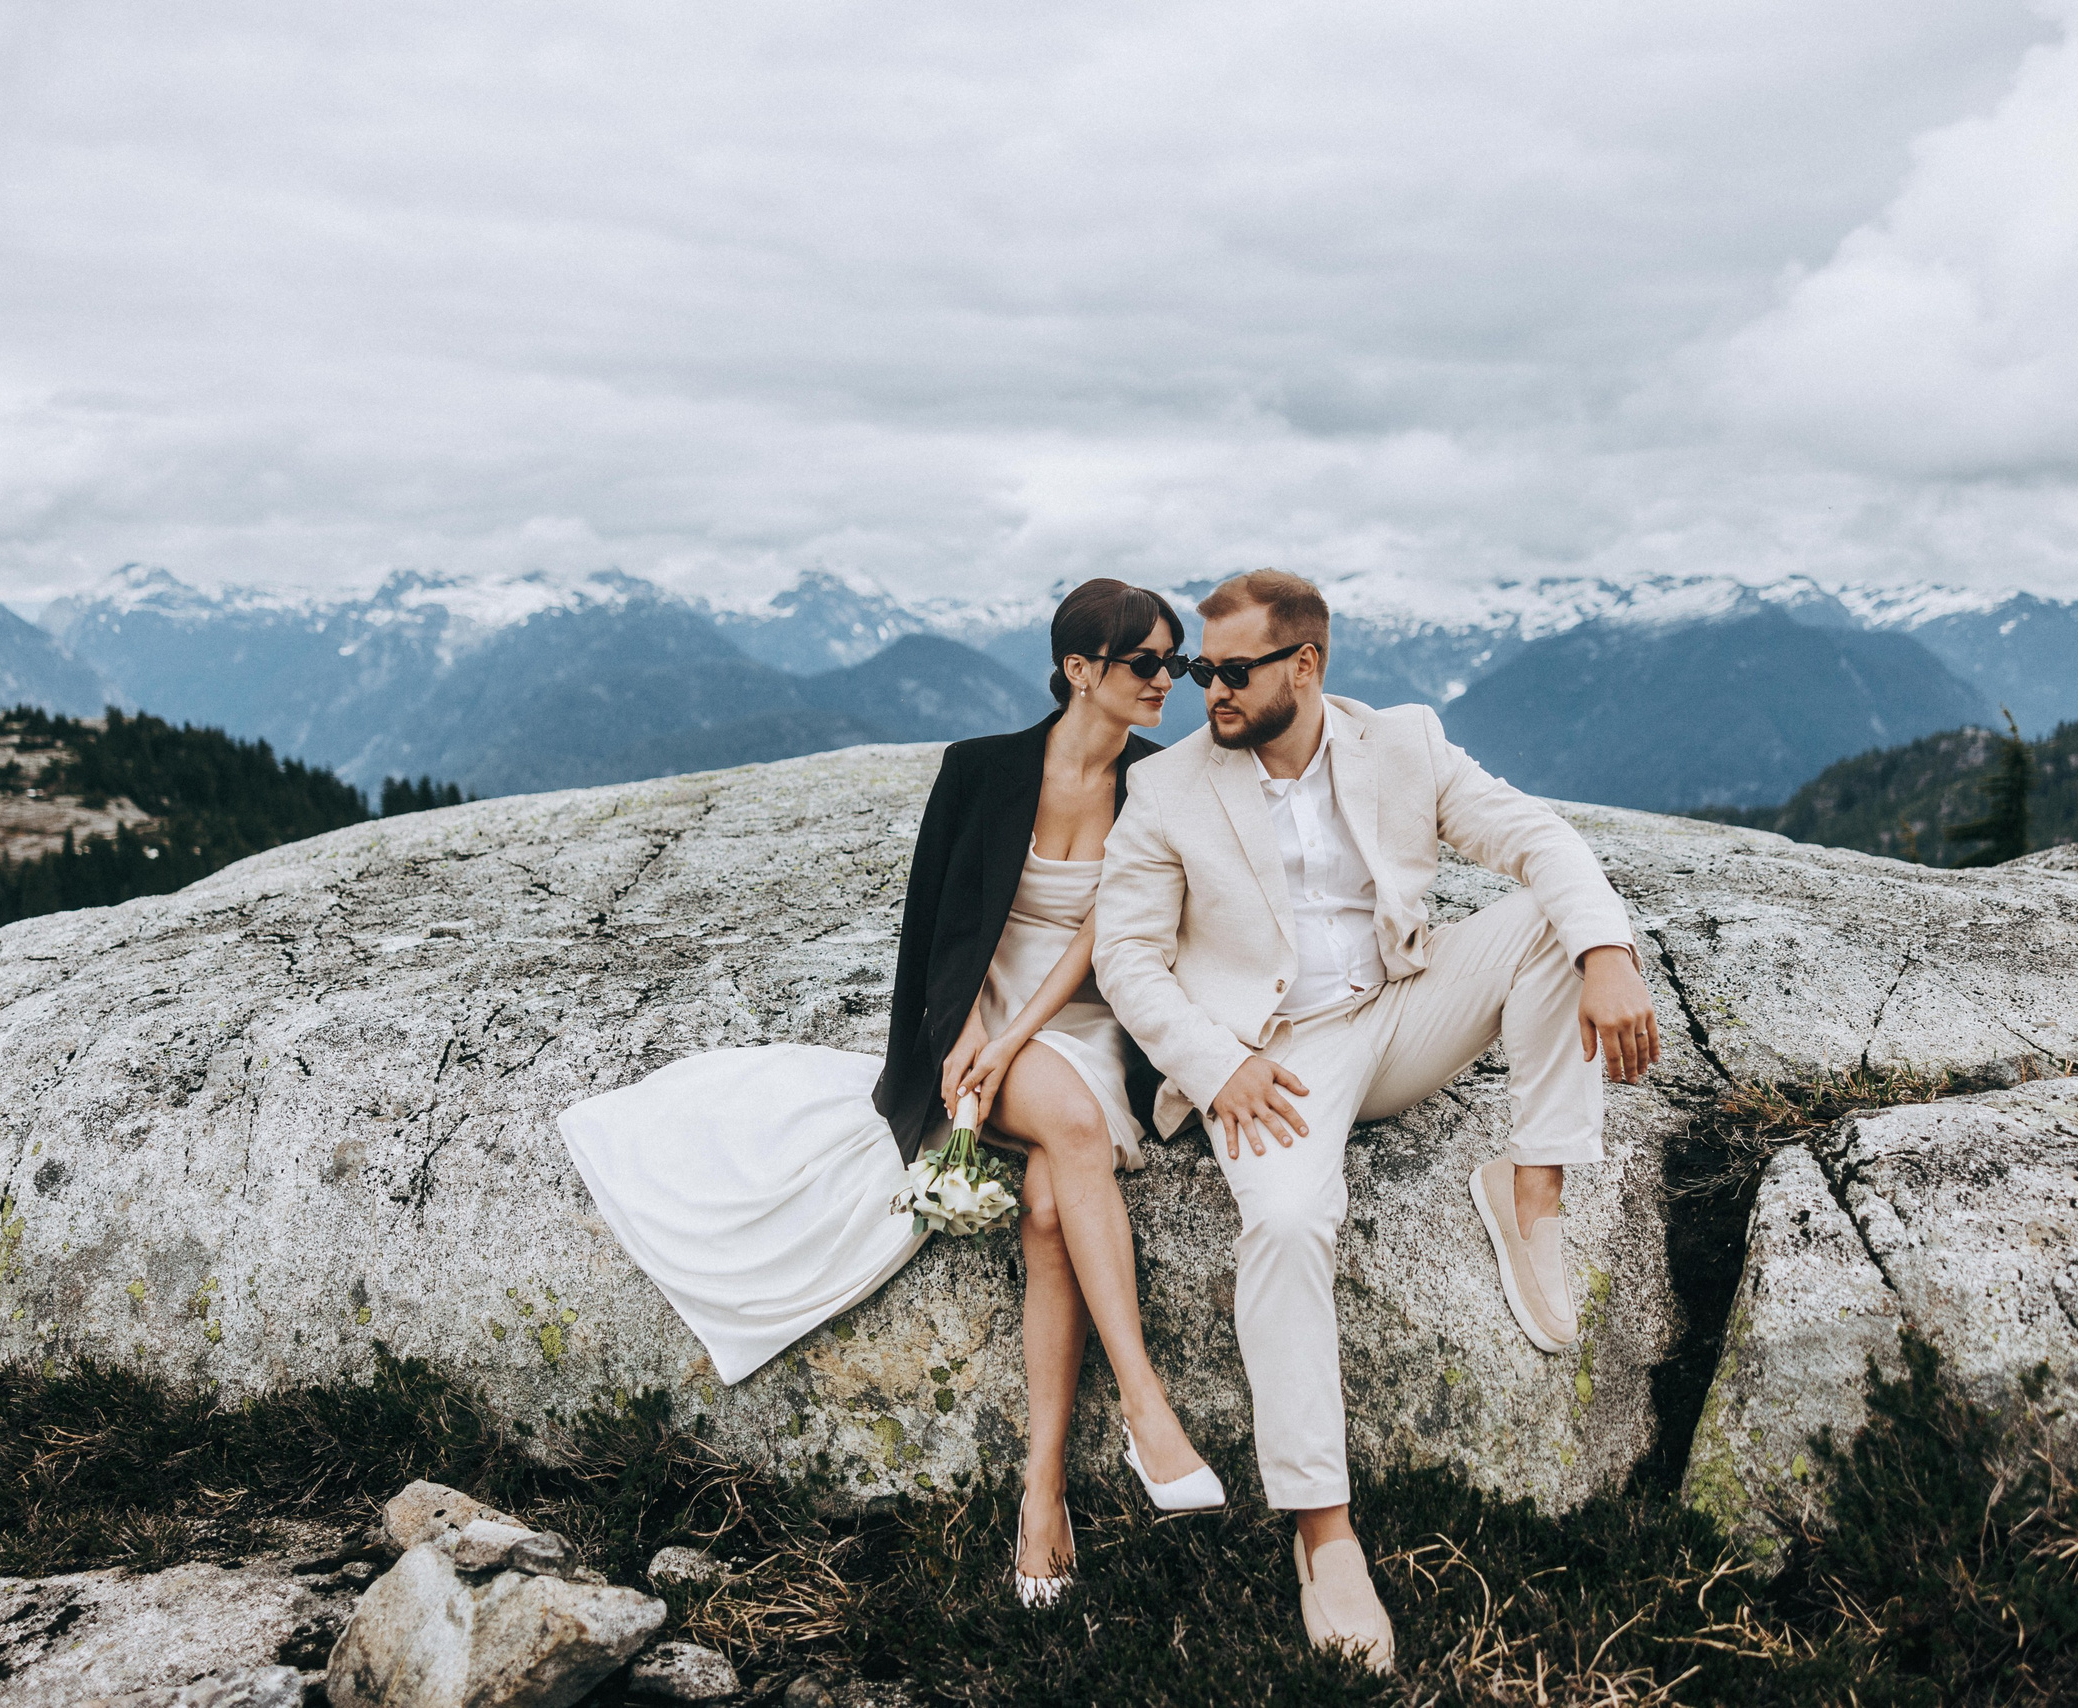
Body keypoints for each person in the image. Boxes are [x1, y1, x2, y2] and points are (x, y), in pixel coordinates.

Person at [559, 577, 1219, 1613]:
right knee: (1077, 1132)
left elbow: (1111, 936)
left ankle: (1041, 1490)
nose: (1167, 682)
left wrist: (1018, 1041)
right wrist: (964, 1042)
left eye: (1175, 664)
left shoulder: (1162, 781)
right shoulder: (983, 769)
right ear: (1080, 668)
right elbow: (932, 929)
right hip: (977, 1011)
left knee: (1052, 1201)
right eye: (1148, 663)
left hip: (1079, 1014)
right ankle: (1146, 1407)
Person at [1093, 569, 1661, 1672]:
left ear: (1305, 665)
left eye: (1233, 669)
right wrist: (1216, 1068)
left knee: (1553, 916)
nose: (1207, 687)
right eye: (1202, 668)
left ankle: (1530, 1181)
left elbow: (1536, 837)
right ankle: (1323, 1533)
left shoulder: (1401, 740)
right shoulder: (1165, 790)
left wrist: (1608, 951)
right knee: (1289, 1226)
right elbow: (1127, 957)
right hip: (1273, 1057)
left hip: (1401, 1008)